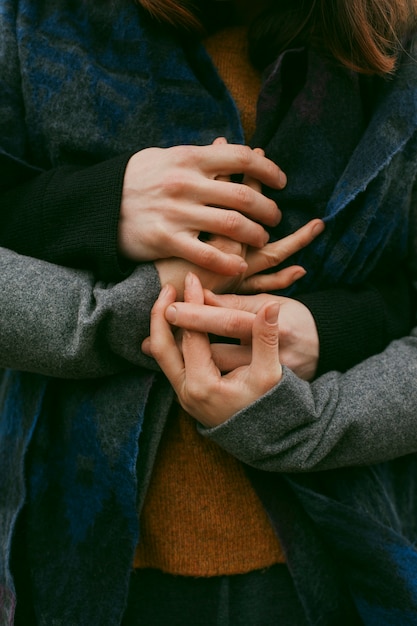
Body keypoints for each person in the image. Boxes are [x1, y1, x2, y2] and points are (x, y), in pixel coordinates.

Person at [0, 0, 416, 624]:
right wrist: (101, 208)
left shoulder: (395, 34)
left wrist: (328, 336)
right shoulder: (27, 21)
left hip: (345, 562)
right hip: (72, 557)